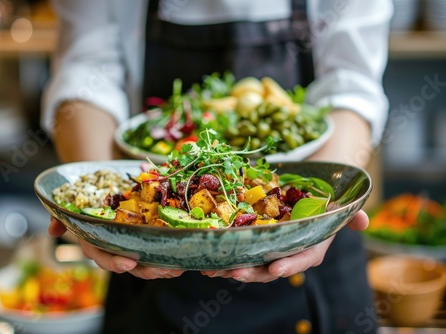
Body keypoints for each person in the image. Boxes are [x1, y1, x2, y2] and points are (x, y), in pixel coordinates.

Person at [42, 1, 393, 333]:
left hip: (314, 284)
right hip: (146, 270)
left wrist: (316, 218)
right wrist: (100, 214)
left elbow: (352, 87)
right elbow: (86, 73)